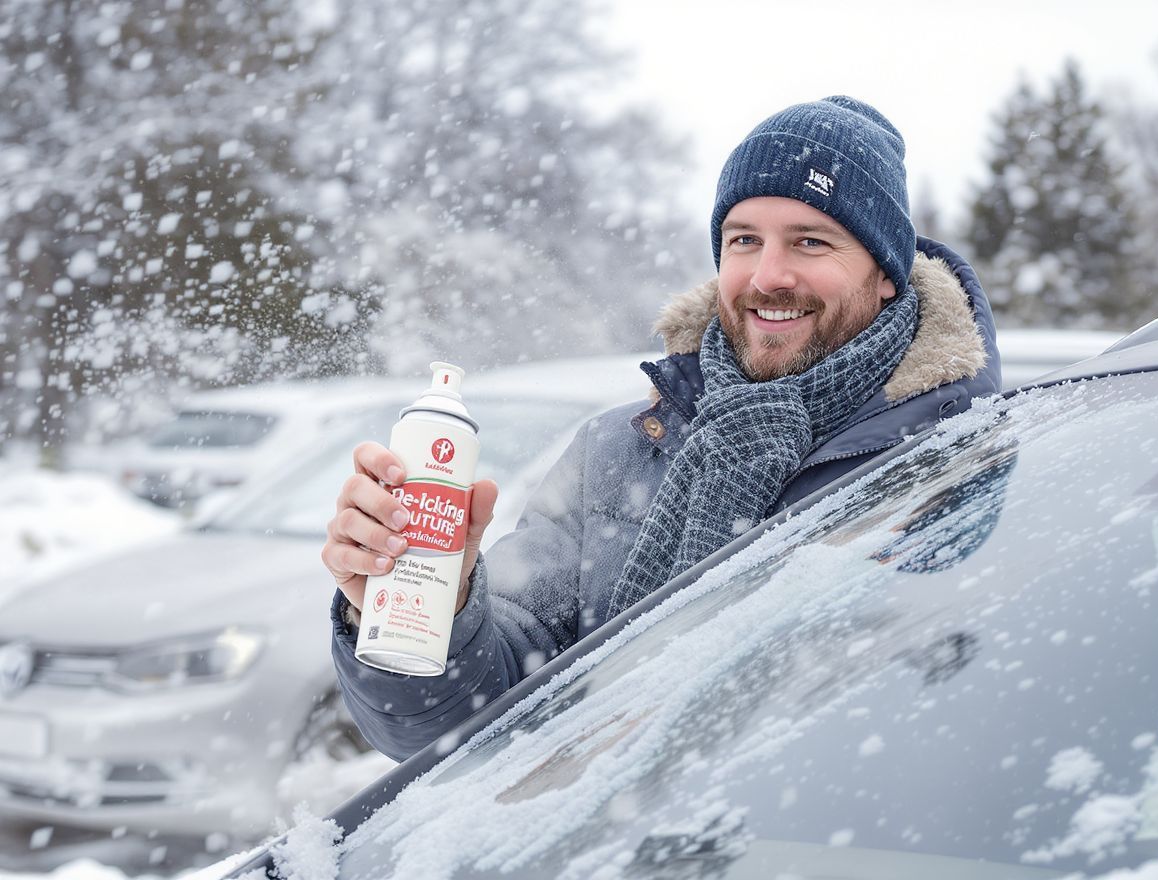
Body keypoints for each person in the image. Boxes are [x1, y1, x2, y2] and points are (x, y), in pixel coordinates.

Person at [323, 96, 1002, 759]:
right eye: (743, 240)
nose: (768, 275)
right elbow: (464, 738)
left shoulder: (952, 461)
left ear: (884, 273)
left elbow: (948, 733)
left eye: (810, 241)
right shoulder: (620, 450)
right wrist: (423, 614)